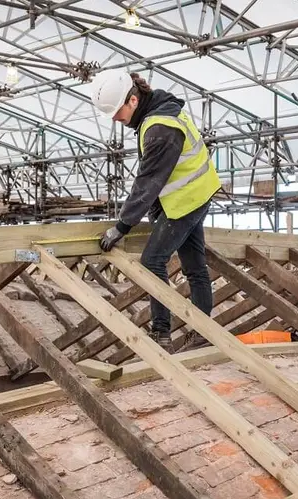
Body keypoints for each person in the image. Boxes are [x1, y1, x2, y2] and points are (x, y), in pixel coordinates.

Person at [89, 69, 220, 353]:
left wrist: (122, 226)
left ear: (133, 100)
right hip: (196, 194)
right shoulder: (162, 112)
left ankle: (161, 333)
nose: (115, 118)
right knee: (195, 268)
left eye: (117, 112)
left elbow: (148, 182)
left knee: (152, 262)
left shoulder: (160, 128)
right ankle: (203, 335)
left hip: (186, 200)